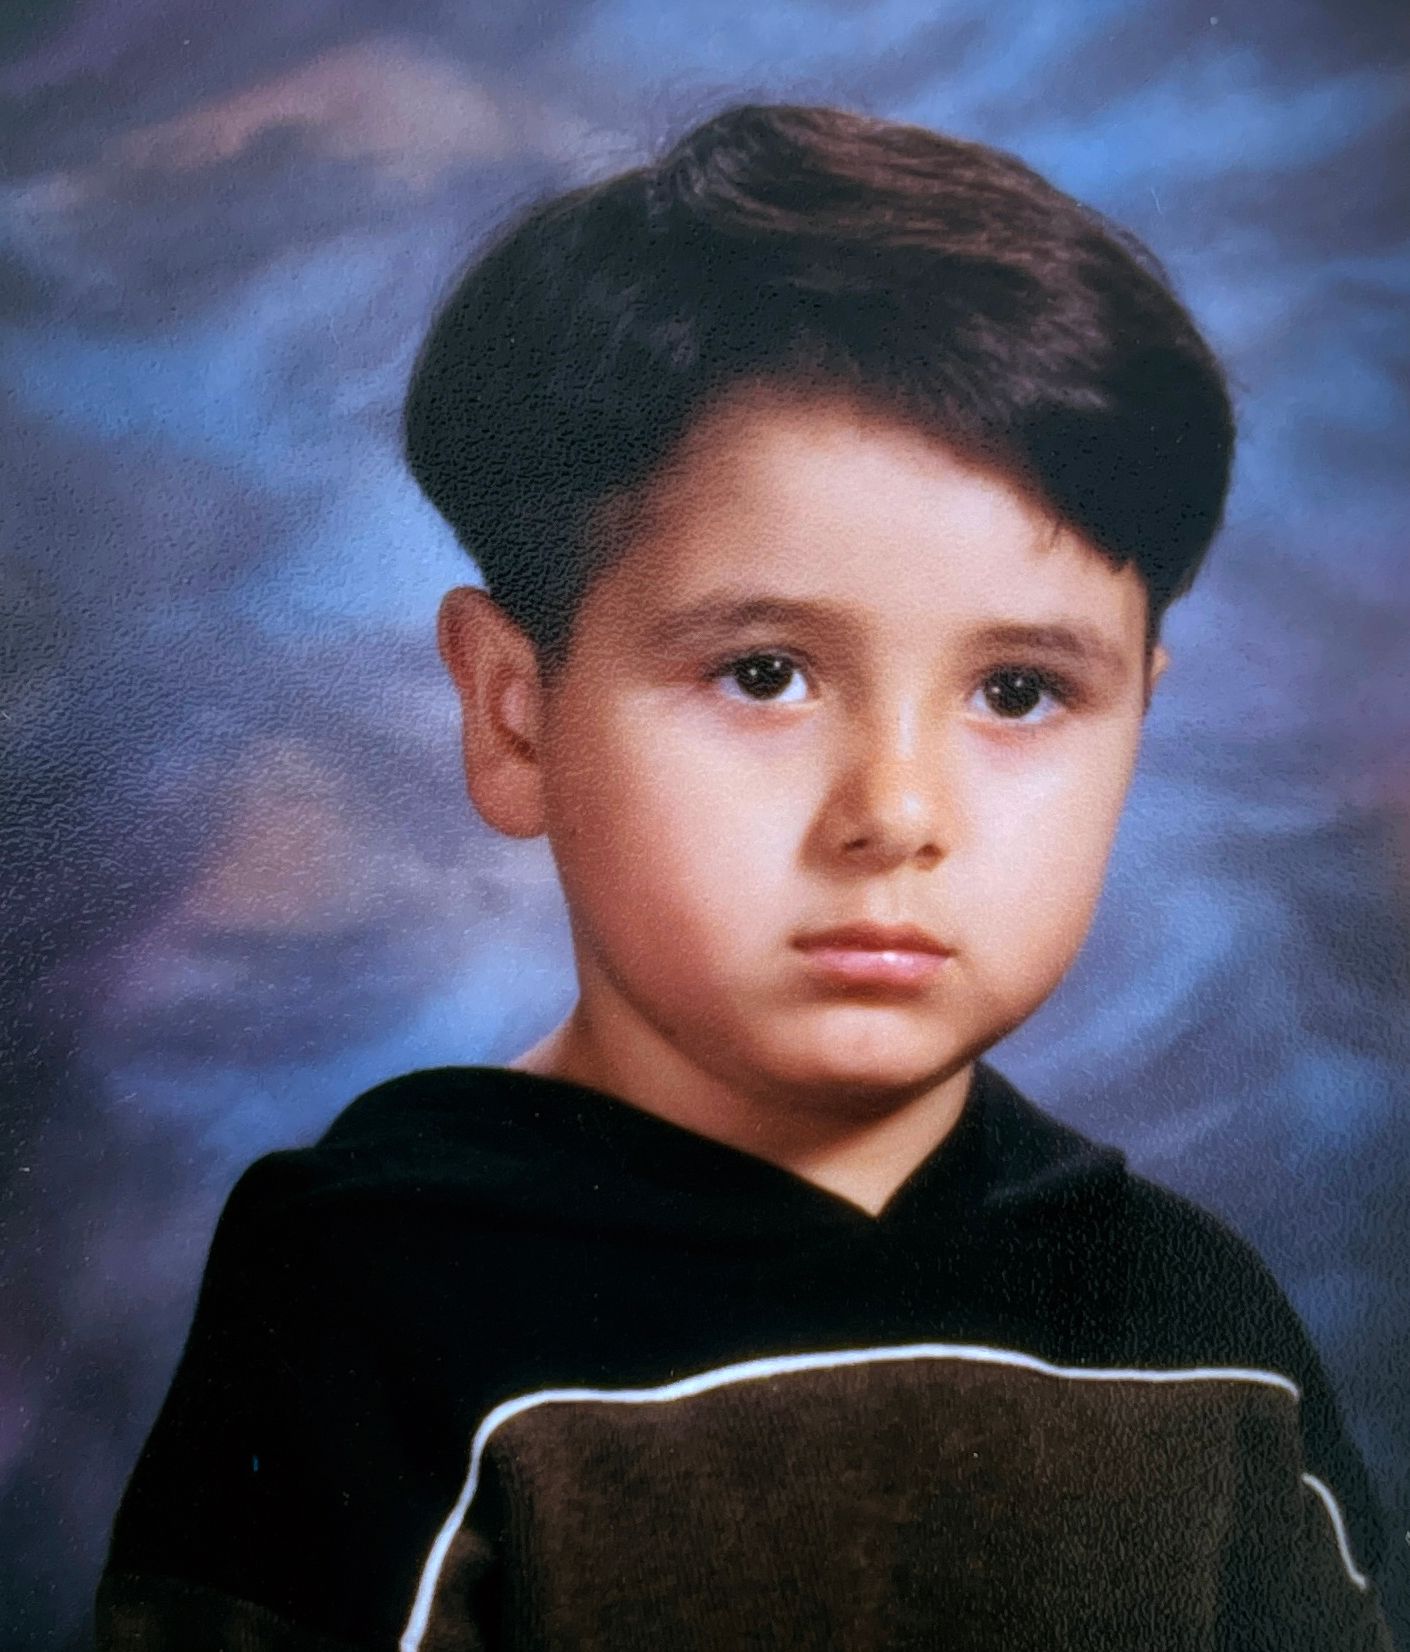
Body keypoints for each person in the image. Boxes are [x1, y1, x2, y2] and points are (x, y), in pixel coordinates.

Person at [95, 101, 1397, 1650]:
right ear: (513, 715)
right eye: (764, 673)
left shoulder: (1200, 1331)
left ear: (1137, 725)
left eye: (1018, 692)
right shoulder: (378, 1294)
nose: (894, 813)